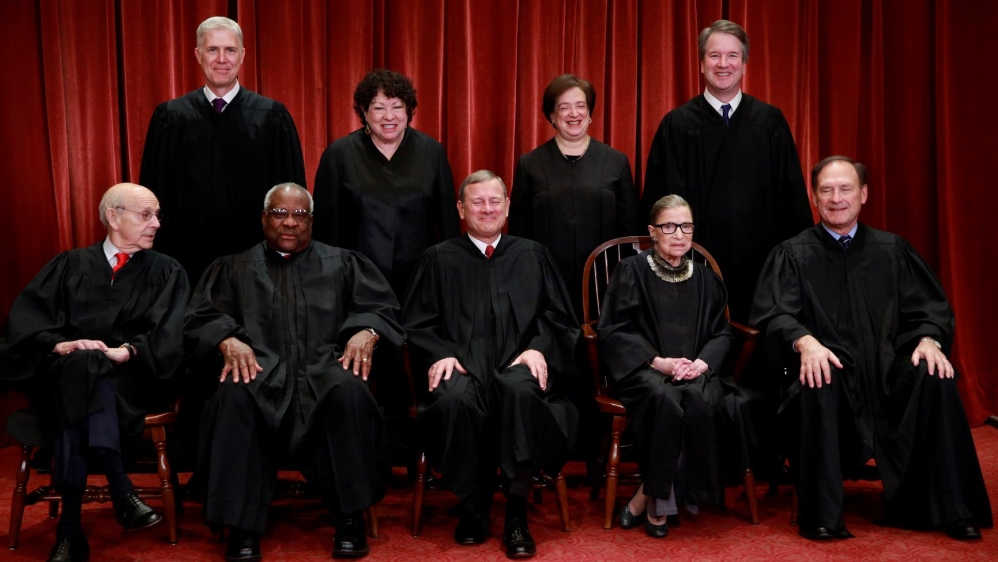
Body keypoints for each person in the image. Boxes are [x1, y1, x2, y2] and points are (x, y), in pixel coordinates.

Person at [750, 156, 992, 541]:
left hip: (888, 377)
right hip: (834, 379)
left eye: (845, 188)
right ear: (814, 198)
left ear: (863, 194)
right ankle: (823, 516)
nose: (836, 198)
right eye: (826, 190)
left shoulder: (891, 250)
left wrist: (930, 340)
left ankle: (950, 509)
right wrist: (805, 341)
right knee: (819, 374)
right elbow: (774, 314)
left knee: (935, 372)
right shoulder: (793, 254)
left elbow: (930, 309)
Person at [184, 183, 405, 560]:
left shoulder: (343, 263)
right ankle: (241, 526)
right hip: (260, 370)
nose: (290, 222)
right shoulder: (235, 267)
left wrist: (366, 333)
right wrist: (226, 339)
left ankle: (350, 517)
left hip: (324, 369)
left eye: (300, 215)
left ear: (312, 221)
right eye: (280, 213)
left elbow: (382, 308)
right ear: (264, 218)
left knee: (348, 389)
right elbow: (202, 316)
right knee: (235, 392)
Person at [0, 183, 190, 562]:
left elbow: (171, 337)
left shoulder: (168, 271)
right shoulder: (69, 264)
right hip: (60, 376)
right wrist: (60, 345)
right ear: (113, 217)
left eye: (157, 216)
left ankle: (70, 529)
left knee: (88, 369)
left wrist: (126, 351)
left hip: (131, 381)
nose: (156, 224)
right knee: (82, 363)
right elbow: (22, 328)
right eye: (145, 215)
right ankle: (121, 489)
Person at [403, 170, 580, 559]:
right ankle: (472, 507)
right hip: (462, 367)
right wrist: (441, 353)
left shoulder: (532, 255)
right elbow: (416, 322)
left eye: (495, 201)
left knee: (521, 392)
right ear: (461, 209)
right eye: (477, 202)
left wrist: (538, 349)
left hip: (518, 365)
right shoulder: (439, 258)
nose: (487, 209)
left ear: (507, 206)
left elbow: (560, 319)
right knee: (454, 402)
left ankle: (516, 514)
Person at [641, 19, 813, 323]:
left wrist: (795, 262)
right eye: (714, 55)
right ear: (702, 64)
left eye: (733, 56)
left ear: (745, 64)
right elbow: (659, 202)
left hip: (762, 267)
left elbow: (792, 198)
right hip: (695, 267)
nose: (724, 64)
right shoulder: (678, 126)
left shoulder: (770, 122)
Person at [597, 195, 733, 538]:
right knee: (667, 399)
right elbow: (613, 329)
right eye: (669, 226)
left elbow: (721, 332)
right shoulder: (631, 271)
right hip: (645, 370)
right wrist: (658, 361)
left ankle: (645, 497)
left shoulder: (705, 279)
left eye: (686, 226)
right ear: (652, 232)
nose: (679, 234)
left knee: (702, 399)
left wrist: (702, 364)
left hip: (695, 370)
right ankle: (660, 508)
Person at [140, 16, 306, 284]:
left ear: (241, 55)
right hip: (186, 259)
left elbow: (291, 195)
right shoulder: (170, 118)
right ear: (198, 55)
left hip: (256, 261)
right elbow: (152, 195)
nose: (222, 59)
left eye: (230, 50)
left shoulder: (272, 117)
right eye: (212, 50)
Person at [313, 68, 459, 300]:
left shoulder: (431, 152)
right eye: (379, 108)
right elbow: (325, 230)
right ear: (364, 111)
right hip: (357, 283)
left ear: (409, 110)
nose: (388, 117)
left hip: (420, 282)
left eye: (397, 107)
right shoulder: (339, 155)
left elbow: (447, 223)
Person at [510, 73, 638, 321]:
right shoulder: (531, 164)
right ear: (552, 116)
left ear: (590, 113)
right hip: (547, 285)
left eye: (581, 106)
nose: (574, 114)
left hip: (605, 284)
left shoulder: (616, 162)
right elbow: (519, 234)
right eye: (564, 107)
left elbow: (628, 231)